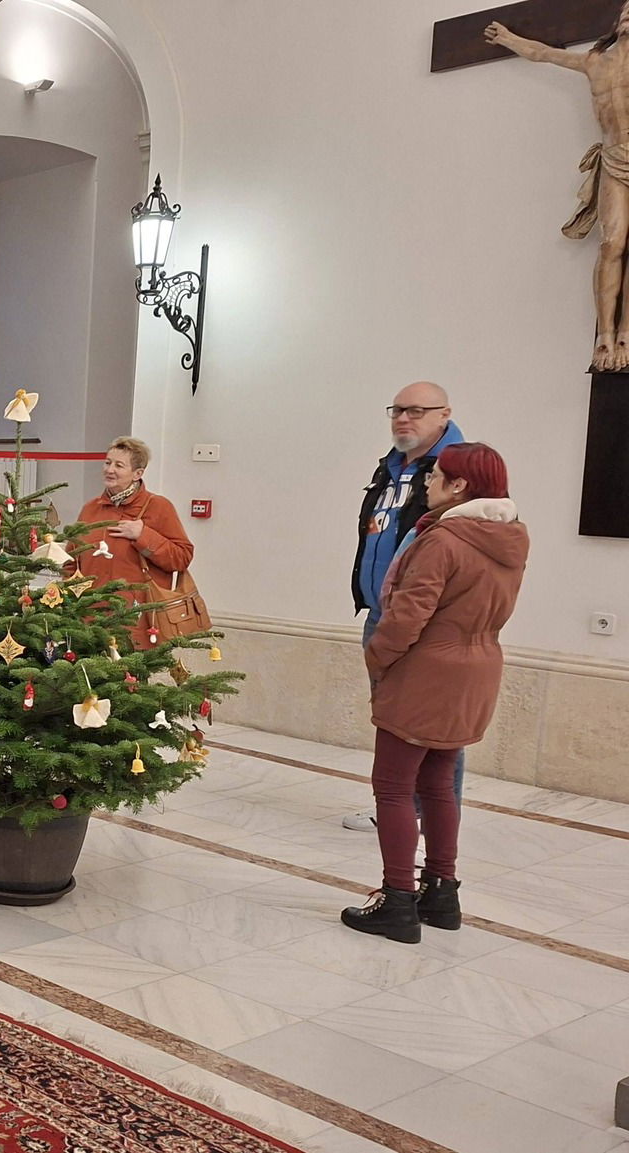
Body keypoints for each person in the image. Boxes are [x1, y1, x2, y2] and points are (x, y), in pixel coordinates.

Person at [342, 444, 527, 944]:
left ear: (460, 486)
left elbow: (407, 615)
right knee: (439, 783)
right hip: (477, 668)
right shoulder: (509, 536)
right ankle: (442, 893)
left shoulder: (444, 539)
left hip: (427, 669)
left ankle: (396, 900)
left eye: (438, 475)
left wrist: (378, 658)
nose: (428, 482)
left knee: (396, 786)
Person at [343, 381, 466, 831]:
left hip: (427, 621)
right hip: (381, 613)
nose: (403, 418)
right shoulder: (391, 467)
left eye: (415, 410)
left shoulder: (458, 467)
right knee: (394, 721)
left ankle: (434, 814)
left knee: (432, 728)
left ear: (444, 414)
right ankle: (399, 809)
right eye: (396, 410)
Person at [485, 7, 629, 369]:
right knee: (611, 243)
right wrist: (508, 38)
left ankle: (626, 333)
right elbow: (545, 54)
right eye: (626, 11)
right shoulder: (596, 63)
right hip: (612, 158)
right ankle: (605, 335)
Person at [74, 437, 195, 649]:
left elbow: (182, 557)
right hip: (90, 623)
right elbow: (71, 559)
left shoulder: (158, 507)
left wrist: (143, 535)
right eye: (107, 462)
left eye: (119, 465)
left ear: (138, 473)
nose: (110, 470)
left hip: (136, 624)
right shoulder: (90, 509)